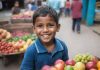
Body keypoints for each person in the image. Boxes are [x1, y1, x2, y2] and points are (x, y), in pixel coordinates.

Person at [20, 6, 69, 70]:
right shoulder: (31, 51)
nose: (45, 30)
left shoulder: (62, 46)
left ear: (58, 27)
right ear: (34, 29)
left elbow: (67, 65)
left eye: (50, 25)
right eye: (40, 26)